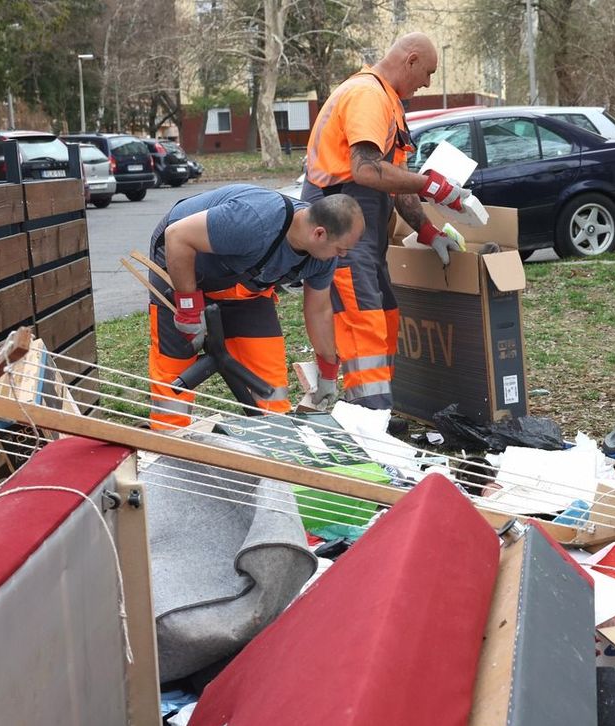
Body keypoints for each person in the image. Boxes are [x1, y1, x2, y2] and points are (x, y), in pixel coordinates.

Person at [301, 32, 473, 411]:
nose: (427, 81)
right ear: (410, 60)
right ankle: (370, 419)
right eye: (427, 71)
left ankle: (375, 409)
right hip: (340, 228)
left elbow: (393, 178)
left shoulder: (388, 102)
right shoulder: (367, 96)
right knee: (363, 321)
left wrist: (427, 230)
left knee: (385, 315)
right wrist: (433, 186)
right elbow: (365, 170)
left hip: (363, 230)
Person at [146, 184, 364, 430]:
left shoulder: (323, 258)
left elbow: (319, 310)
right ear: (320, 233)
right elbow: (177, 236)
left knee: (270, 380)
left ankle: (276, 439)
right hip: (182, 261)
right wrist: (188, 308)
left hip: (244, 284)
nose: (342, 256)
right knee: (175, 368)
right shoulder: (256, 221)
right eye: (341, 248)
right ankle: (168, 439)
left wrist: (327, 370)